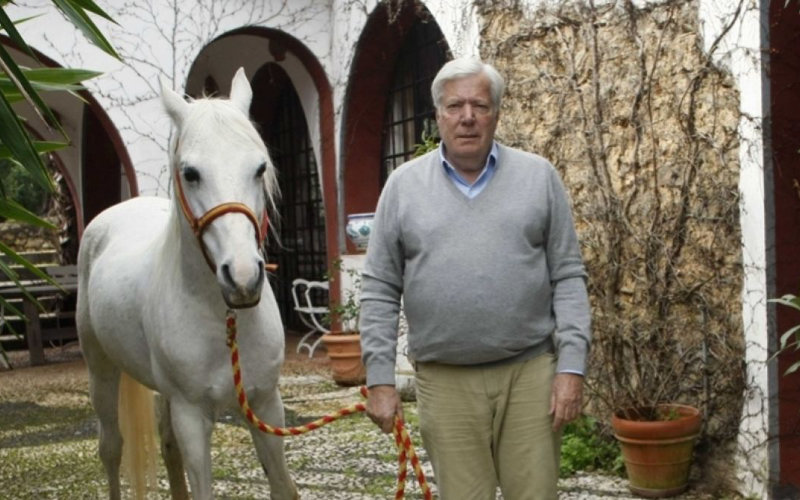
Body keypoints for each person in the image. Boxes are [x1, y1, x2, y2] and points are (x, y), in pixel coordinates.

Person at [359, 56, 592, 500]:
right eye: (455, 106)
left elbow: (567, 276)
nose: (467, 117)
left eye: (479, 106)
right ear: (438, 115)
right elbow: (379, 289)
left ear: (496, 114)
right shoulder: (403, 187)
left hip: (530, 375)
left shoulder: (538, 177)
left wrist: (571, 368)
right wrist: (379, 379)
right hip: (445, 381)